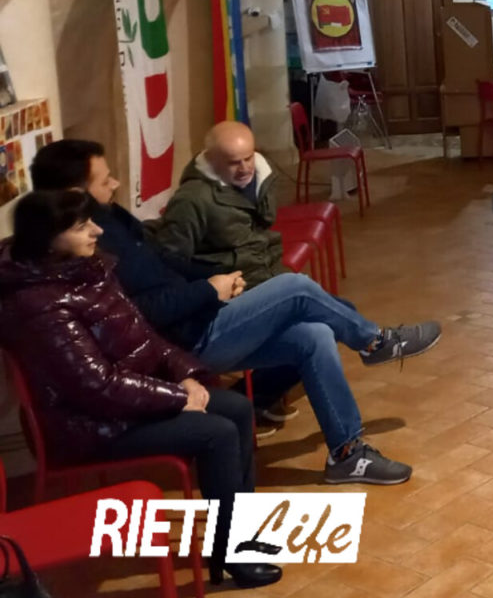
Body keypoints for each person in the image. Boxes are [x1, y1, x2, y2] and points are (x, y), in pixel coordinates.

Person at [30, 139, 439, 485]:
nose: (116, 184)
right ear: (75, 192)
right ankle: (375, 342)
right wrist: (209, 290)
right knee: (296, 287)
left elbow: (165, 263)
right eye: (105, 180)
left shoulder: (108, 219)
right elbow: (143, 315)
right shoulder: (89, 251)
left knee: (314, 335)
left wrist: (217, 277)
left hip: (202, 319)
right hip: (186, 343)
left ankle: (347, 454)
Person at [0, 190, 279, 589]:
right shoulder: (38, 305)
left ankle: (238, 535)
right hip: (87, 427)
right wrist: (178, 398)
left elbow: (146, 338)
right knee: (215, 433)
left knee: (236, 408)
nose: (97, 230)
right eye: (82, 226)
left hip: (123, 405)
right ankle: (231, 552)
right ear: (48, 239)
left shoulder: (88, 270)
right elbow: (97, 386)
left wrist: (185, 376)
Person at [150, 121, 299, 285]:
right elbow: (170, 261)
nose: (245, 168)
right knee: (303, 290)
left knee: (305, 289)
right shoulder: (192, 199)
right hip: (237, 285)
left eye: (248, 158)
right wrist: (214, 285)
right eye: (233, 163)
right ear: (211, 160)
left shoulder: (262, 175)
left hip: (267, 269)